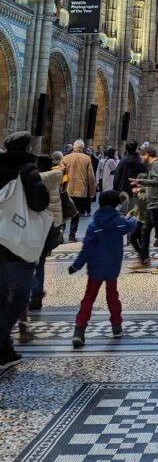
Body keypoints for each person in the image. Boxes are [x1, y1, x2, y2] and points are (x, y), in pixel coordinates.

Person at [0, 131, 49, 373]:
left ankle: (5, 352)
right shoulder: (27, 169)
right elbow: (40, 202)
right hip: (16, 243)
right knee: (18, 296)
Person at [68, 189, 137, 348]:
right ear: (116, 204)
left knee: (89, 297)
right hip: (112, 267)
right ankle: (117, 326)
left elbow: (86, 249)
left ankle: (79, 329)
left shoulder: (94, 225)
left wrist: (76, 266)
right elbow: (130, 225)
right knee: (112, 296)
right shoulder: (119, 221)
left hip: (95, 267)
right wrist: (133, 217)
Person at [28, 154, 63, 313]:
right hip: (52, 225)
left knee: (30, 261)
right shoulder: (56, 177)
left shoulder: (36, 179)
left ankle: (33, 292)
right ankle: (36, 294)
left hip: (38, 224)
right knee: (40, 261)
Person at [129, 147, 158, 273]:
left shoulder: (157, 165)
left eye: (142, 156)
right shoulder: (154, 165)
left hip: (157, 205)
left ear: (146, 154)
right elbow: (155, 185)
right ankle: (144, 259)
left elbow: (157, 181)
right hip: (151, 204)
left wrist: (140, 181)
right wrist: (141, 189)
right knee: (144, 232)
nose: (141, 159)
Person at [59, 139, 96, 241]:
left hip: (67, 190)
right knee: (76, 213)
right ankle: (72, 236)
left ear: (73, 147)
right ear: (82, 148)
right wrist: (92, 192)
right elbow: (91, 177)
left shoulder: (65, 158)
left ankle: (61, 233)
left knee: (65, 212)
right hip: (81, 190)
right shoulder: (87, 159)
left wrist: (61, 186)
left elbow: (60, 174)